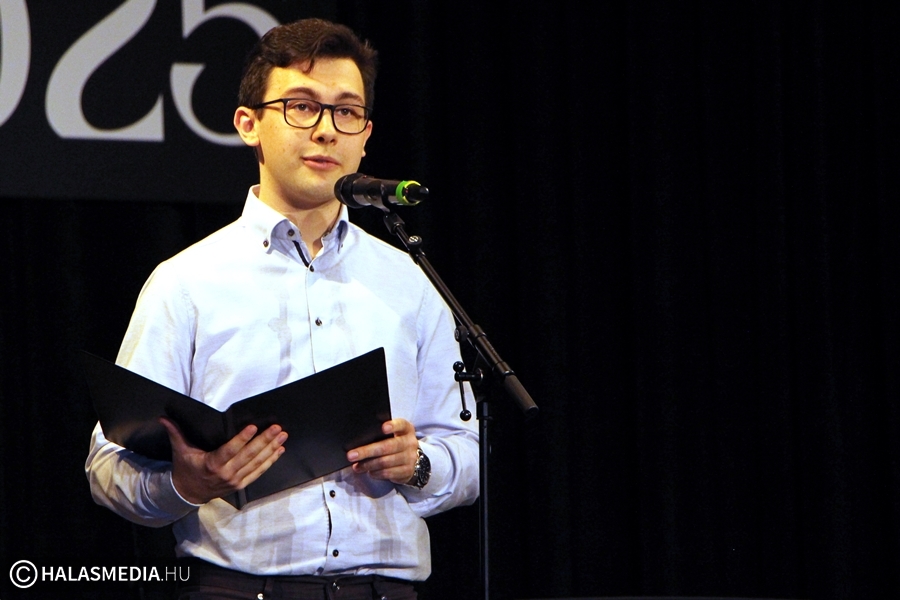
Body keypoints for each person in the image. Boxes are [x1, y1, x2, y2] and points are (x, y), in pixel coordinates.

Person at [85, 17, 479, 599]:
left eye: (346, 112)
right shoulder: (187, 282)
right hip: (239, 588)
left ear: (366, 135)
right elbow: (108, 465)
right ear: (249, 124)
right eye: (302, 107)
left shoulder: (409, 281)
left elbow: (466, 453)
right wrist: (188, 485)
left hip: (385, 589)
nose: (325, 130)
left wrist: (417, 464)